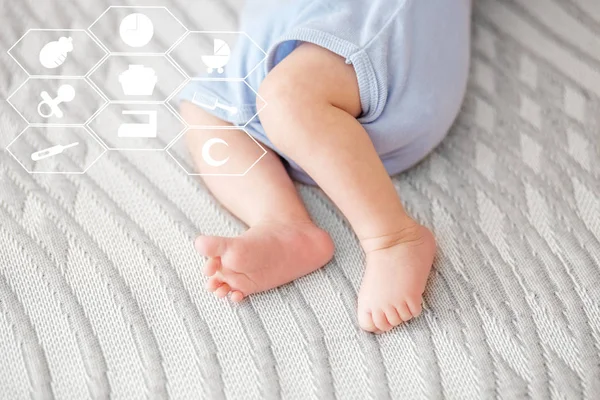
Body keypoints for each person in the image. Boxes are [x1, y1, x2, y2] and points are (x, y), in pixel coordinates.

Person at [179, 0, 471, 333]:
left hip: (365, 42)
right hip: (279, 45)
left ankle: (393, 236)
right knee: (205, 107)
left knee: (287, 98)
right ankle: (282, 222)